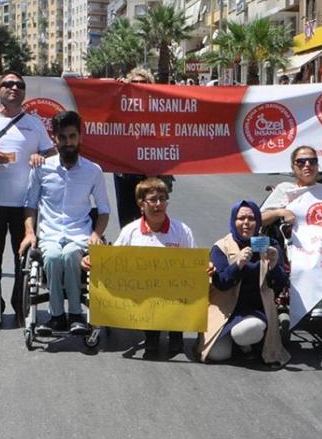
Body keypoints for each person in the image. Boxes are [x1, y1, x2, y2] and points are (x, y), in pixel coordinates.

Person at [0, 70, 56, 327]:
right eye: (8, 84)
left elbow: (51, 154)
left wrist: (41, 158)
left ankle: (20, 307)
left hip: (25, 204)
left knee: (23, 260)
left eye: (19, 85)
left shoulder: (34, 123)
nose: (14, 88)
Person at [19, 111, 109, 335]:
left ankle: (76, 315)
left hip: (79, 235)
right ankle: (57, 316)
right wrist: (29, 233)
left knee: (69, 255)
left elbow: (104, 210)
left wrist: (97, 234)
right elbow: (30, 205)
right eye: (63, 137)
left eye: (72, 137)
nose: (68, 143)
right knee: (52, 256)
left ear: (80, 138)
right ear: (55, 139)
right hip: (49, 234)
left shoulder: (93, 171)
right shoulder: (41, 168)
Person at [85, 177, 195, 358]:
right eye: (153, 199)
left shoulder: (182, 231)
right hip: (144, 295)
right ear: (141, 204)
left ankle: (176, 335)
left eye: (162, 199)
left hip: (174, 294)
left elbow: (194, 265)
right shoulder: (131, 231)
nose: (158, 204)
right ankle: (151, 337)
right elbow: (113, 261)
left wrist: (207, 267)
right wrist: (93, 260)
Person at [260, 145, 322, 319]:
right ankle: (318, 299)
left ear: (318, 166)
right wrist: (279, 212)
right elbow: (260, 218)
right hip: (299, 244)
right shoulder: (285, 189)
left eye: (312, 161)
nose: (307, 165)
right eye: (301, 162)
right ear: (293, 167)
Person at [199, 200, 290, 366]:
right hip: (226, 309)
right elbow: (221, 284)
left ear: (258, 221)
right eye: (241, 218)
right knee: (217, 355)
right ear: (234, 221)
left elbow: (279, 284)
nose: (246, 223)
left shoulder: (269, 245)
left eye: (251, 218)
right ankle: (237, 343)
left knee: (246, 331)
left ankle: (248, 343)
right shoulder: (222, 247)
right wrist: (238, 264)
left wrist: (275, 264)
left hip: (255, 308)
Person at [112, 66, 174, 227]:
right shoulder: (121, 103)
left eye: (142, 82)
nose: (138, 85)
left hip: (151, 171)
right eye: (134, 82)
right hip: (125, 172)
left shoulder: (159, 106)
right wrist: (118, 90)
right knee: (127, 221)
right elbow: (106, 117)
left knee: (152, 219)